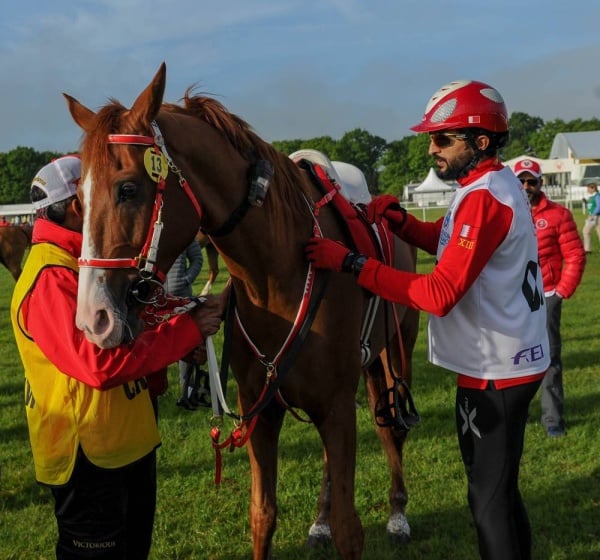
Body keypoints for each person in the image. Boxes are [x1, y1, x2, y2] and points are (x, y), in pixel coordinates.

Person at [305, 80, 550, 560]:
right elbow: (447, 238)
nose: (431, 148)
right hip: (508, 362)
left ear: (480, 142)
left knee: (487, 501)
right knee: (502, 491)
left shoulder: (484, 197)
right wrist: (398, 221)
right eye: (430, 138)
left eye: (443, 138)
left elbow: (438, 294)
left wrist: (352, 264)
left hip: (498, 372)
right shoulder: (486, 185)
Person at [11, 155, 223, 560]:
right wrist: (190, 329)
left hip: (120, 444)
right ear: (79, 205)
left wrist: (175, 338)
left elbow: (126, 337)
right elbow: (98, 365)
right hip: (90, 456)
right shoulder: (52, 276)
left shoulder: (77, 268)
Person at [514, 158, 586, 438]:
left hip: (547, 296)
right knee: (514, 359)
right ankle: (517, 414)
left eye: (531, 181)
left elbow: (575, 256)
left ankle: (552, 419)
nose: (526, 187)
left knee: (549, 359)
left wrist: (561, 291)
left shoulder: (558, 215)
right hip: (513, 301)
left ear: (541, 183)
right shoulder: (506, 212)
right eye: (521, 181)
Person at [164, 237, 210, 409]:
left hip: (182, 298)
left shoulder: (185, 232)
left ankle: (186, 392)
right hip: (158, 299)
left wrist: (186, 279)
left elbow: (198, 259)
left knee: (185, 347)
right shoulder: (154, 230)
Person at [582, 182, 600, 253]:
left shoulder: (597, 196)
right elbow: (592, 206)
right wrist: (586, 202)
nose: (587, 190)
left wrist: (593, 214)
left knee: (585, 231)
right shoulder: (592, 197)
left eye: (588, 188)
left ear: (593, 188)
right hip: (595, 216)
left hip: (594, 216)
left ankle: (587, 249)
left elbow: (599, 206)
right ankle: (587, 249)